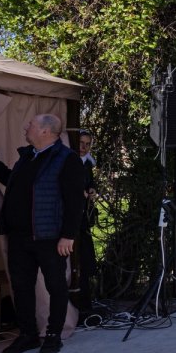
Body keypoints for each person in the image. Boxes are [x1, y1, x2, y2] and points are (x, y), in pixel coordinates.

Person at [0, 114, 86, 353]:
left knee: (55, 286)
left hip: (50, 237)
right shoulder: (28, 157)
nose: (25, 127)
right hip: (20, 237)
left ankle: (54, 335)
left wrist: (68, 236)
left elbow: (75, 201)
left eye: (30, 125)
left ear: (45, 131)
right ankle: (28, 335)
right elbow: (14, 182)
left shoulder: (67, 159)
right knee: (21, 287)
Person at [74, 130, 99, 322]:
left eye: (88, 144)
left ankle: (86, 304)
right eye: (81, 143)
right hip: (71, 221)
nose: (84, 147)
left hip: (83, 220)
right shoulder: (69, 162)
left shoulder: (87, 163)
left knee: (86, 260)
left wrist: (91, 191)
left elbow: (90, 184)